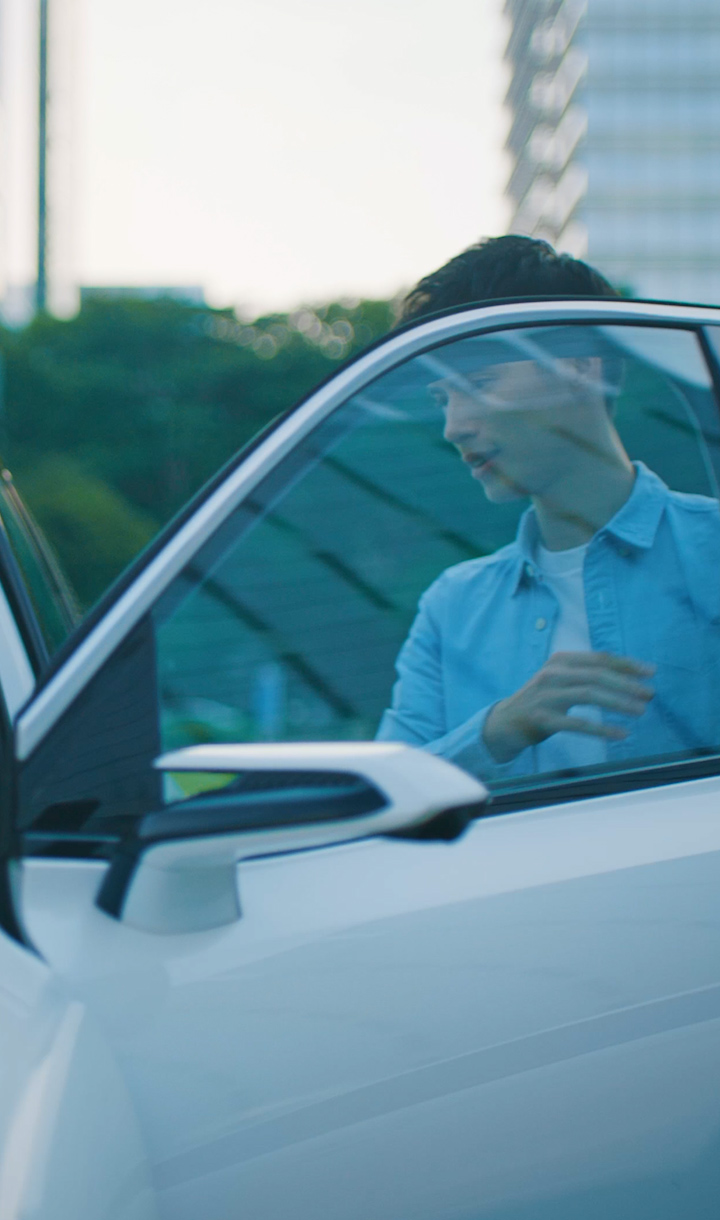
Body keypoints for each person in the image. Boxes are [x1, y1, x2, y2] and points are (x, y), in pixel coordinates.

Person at [377, 236, 720, 779]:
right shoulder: (451, 608)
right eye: (442, 399)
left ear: (579, 365)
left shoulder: (712, 552)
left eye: (477, 384)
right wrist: (496, 731)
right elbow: (388, 789)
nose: (453, 427)